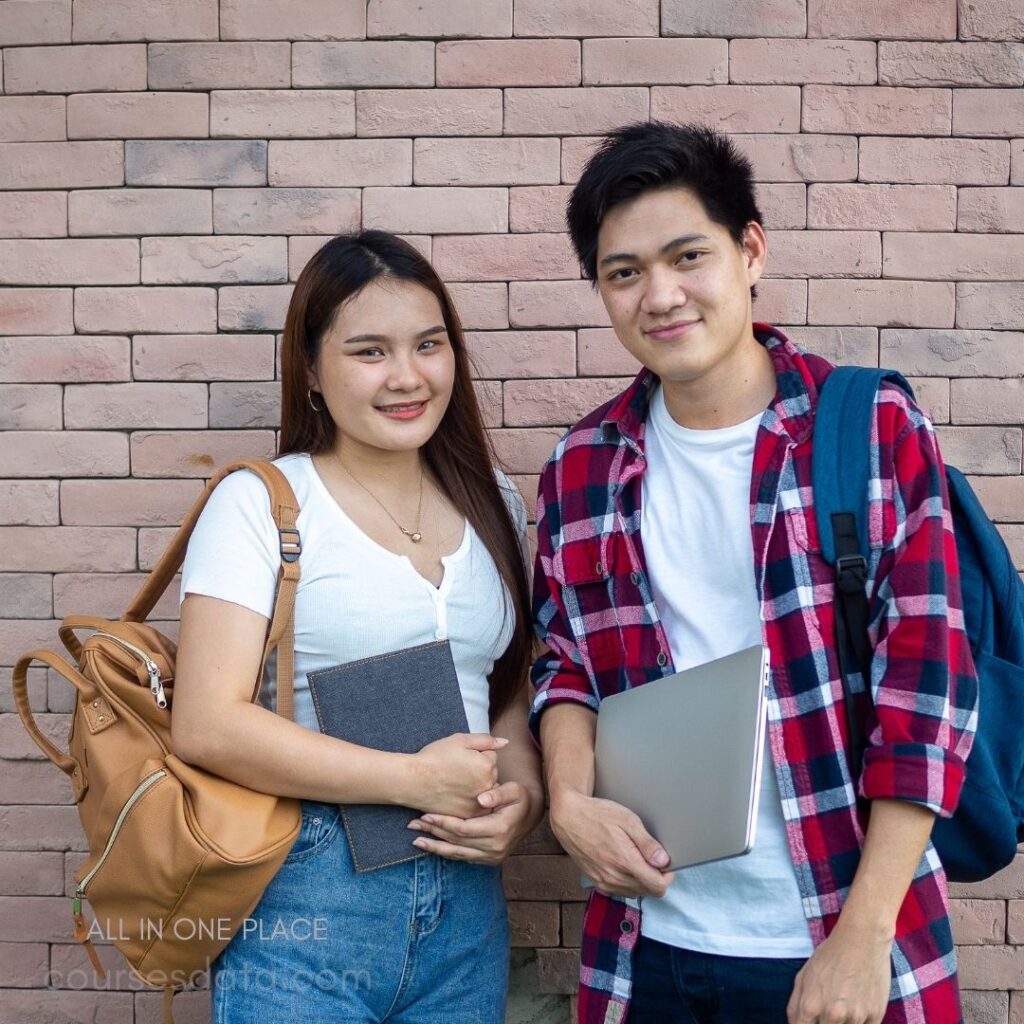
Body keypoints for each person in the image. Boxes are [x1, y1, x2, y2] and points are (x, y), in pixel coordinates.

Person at [529, 122, 978, 1024]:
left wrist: (862, 940)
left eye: (686, 255)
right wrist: (570, 801)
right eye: (624, 273)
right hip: (646, 945)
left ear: (750, 251)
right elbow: (563, 662)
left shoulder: (868, 425)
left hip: (832, 936)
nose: (660, 295)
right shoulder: (584, 464)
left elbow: (926, 691)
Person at [171, 230, 543, 1024]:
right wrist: (411, 780)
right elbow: (204, 724)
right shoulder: (262, 503)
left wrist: (528, 800)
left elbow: (506, 691)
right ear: (311, 368)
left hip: (467, 909)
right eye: (370, 351)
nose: (407, 377)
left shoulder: (495, 505)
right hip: (307, 898)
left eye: (429, 345)